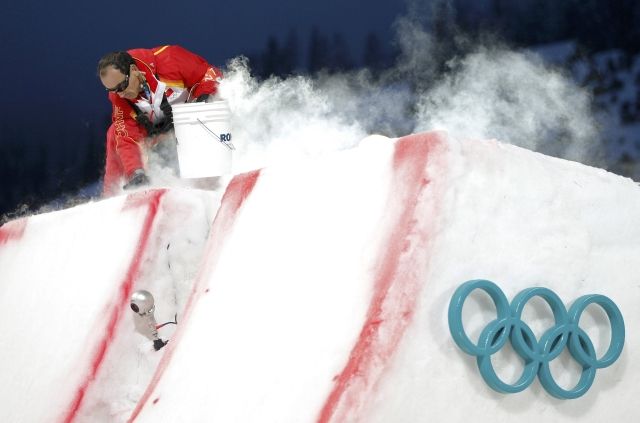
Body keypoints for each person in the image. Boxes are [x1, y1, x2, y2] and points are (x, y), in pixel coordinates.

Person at [97, 45, 222, 196]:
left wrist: (204, 96)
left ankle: (213, 182)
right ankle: (114, 197)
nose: (121, 94)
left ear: (134, 70)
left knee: (213, 101)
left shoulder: (170, 59)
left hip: (191, 113)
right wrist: (136, 172)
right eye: (113, 90)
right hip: (158, 129)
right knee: (114, 133)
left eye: (122, 85)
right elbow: (126, 136)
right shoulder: (119, 97)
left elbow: (210, 74)